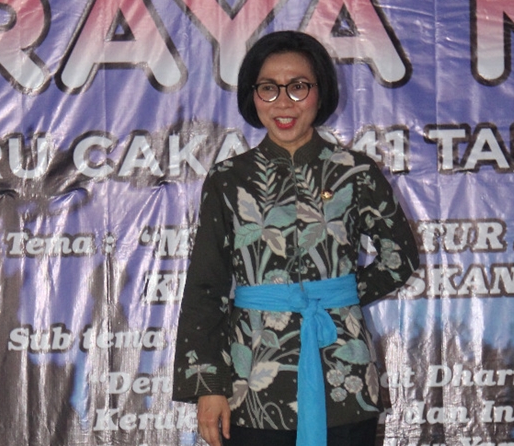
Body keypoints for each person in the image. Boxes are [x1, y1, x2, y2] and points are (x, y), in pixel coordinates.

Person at [172, 30, 419, 446]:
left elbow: (400, 259)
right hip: (251, 383)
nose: (283, 102)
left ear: (320, 93)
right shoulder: (229, 179)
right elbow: (205, 287)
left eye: (298, 86)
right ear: (252, 96)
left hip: (344, 376)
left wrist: (334, 296)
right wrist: (208, 385)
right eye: (268, 88)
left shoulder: (356, 172)